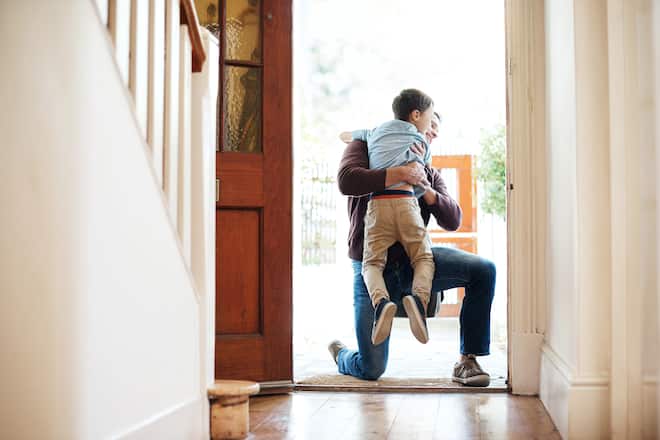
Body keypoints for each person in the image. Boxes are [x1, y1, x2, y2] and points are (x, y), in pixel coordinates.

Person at [329, 112, 496, 386]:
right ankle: (342, 356)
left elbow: (453, 219)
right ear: (411, 123)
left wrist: (425, 187)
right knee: (371, 368)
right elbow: (347, 181)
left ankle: (468, 360)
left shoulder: (426, 168)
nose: (434, 133)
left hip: (415, 264)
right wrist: (399, 173)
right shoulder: (366, 145)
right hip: (372, 269)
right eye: (431, 125)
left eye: (436, 130)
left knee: (483, 270)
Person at [338, 88, 436, 347]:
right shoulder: (420, 140)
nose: (430, 124)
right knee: (424, 257)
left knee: (372, 265)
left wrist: (347, 135)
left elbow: (351, 135)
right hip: (405, 203)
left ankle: (381, 303)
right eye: (429, 117)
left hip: (378, 205)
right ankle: (418, 299)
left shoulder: (374, 133)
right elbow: (423, 171)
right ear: (416, 115)